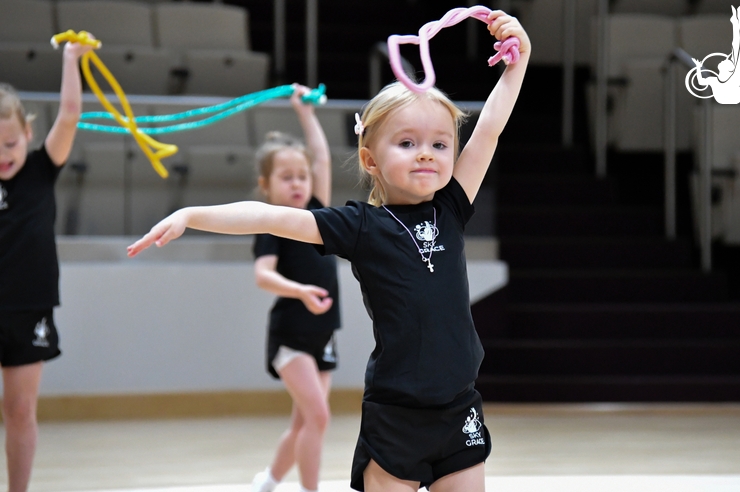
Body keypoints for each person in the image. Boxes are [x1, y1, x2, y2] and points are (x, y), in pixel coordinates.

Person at [128, 10, 529, 492]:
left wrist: (516, 64)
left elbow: (488, 130)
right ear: (370, 159)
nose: (427, 153)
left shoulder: (452, 207)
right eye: (407, 142)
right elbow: (268, 217)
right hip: (396, 417)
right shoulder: (359, 225)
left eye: (440, 144)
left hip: (458, 408)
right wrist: (192, 215)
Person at [0, 37, 94, 492]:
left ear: (28, 133)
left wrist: (70, 61)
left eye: (10, 142)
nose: (4, 154)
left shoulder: (41, 168)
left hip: (29, 307)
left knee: (20, 409)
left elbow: (71, 114)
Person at [249, 84, 341, 492]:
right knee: (319, 417)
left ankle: (267, 482)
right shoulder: (271, 224)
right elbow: (262, 276)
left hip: (323, 333)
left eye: (302, 176)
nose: (298, 184)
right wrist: (301, 291)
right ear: (265, 185)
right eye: (286, 178)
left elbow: (321, 156)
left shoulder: (317, 215)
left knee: (305, 422)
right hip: (290, 336)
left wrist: (305, 113)